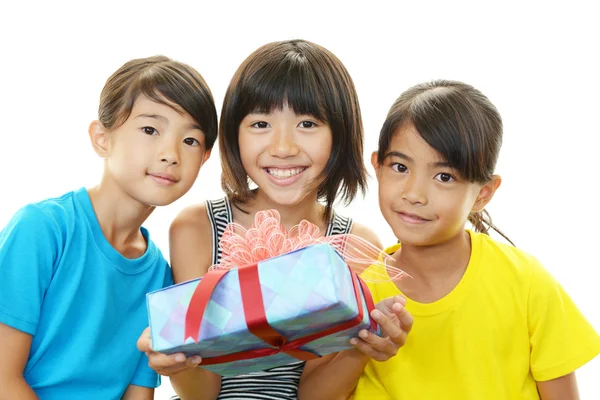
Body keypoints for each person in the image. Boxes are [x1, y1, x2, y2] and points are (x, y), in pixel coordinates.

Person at [138, 39, 413, 400]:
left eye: (308, 123)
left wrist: (361, 348)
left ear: (340, 134)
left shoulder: (354, 243)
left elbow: (315, 396)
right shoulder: (198, 227)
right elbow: (201, 393)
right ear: (235, 134)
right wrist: (174, 360)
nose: (283, 147)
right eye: (261, 123)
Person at [353, 79, 600, 399]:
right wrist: (360, 348)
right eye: (400, 167)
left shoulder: (525, 282)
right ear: (378, 166)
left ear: (483, 193)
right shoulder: (358, 290)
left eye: (444, 177)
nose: (414, 194)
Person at [0, 55, 218, 399]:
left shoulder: (160, 278)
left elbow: (137, 393)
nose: (170, 153)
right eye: (150, 130)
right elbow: (2, 380)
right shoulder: (41, 230)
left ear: (204, 158)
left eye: (191, 140)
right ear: (102, 138)